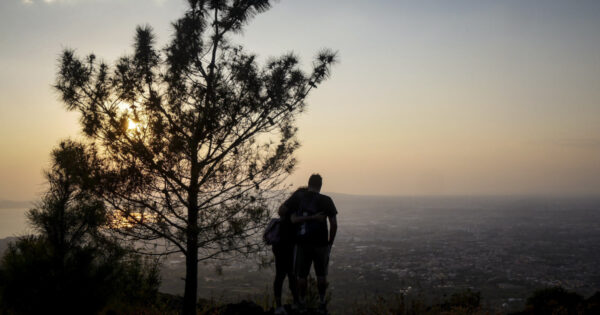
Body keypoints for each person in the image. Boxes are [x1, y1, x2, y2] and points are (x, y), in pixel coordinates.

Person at [283, 174, 338, 314]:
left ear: (308, 184)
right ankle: (321, 302)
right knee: (321, 275)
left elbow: (281, 210)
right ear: (320, 185)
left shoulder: (299, 197)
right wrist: (330, 243)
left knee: (302, 275)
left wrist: (293, 215)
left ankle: (301, 302)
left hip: (302, 243)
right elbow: (334, 224)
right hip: (321, 243)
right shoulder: (327, 200)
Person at [273, 187, 324, 315]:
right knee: (283, 274)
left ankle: (293, 303)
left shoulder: (294, 203)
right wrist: (314, 218)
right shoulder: (297, 202)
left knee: (289, 274)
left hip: (285, 244)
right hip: (285, 244)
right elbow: (294, 220)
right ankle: (284, 306)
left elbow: (283, 213)